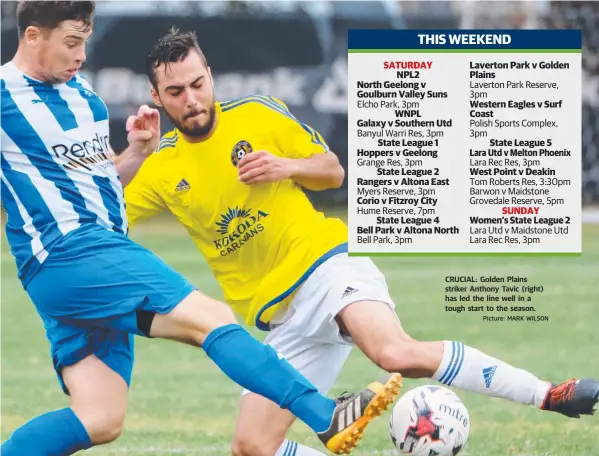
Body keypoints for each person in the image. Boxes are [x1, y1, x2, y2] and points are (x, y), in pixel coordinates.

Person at [124, 27, 599, 456]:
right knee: (253, 448)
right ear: (156, 96)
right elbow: (100, 208)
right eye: (176, 91)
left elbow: (333, 171)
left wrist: (286, 166)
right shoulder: (160, 168)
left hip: (328, 266)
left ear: (209, 74)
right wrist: (133, 153)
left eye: (198, 84)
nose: (192, 99)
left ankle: (547, 393)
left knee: (394, 353)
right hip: (281, 318)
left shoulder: (256, 114)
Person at [0, 3, 402, 455]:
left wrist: (137, 153)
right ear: (33, 36)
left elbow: (100, 185)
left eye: (85, 42)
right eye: (72, 43)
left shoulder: (82, 95)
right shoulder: (4, 94)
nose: (80, 55)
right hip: (72, 251)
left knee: (100, 418)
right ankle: (325, 416)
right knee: (211, 320)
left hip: (82, 267)